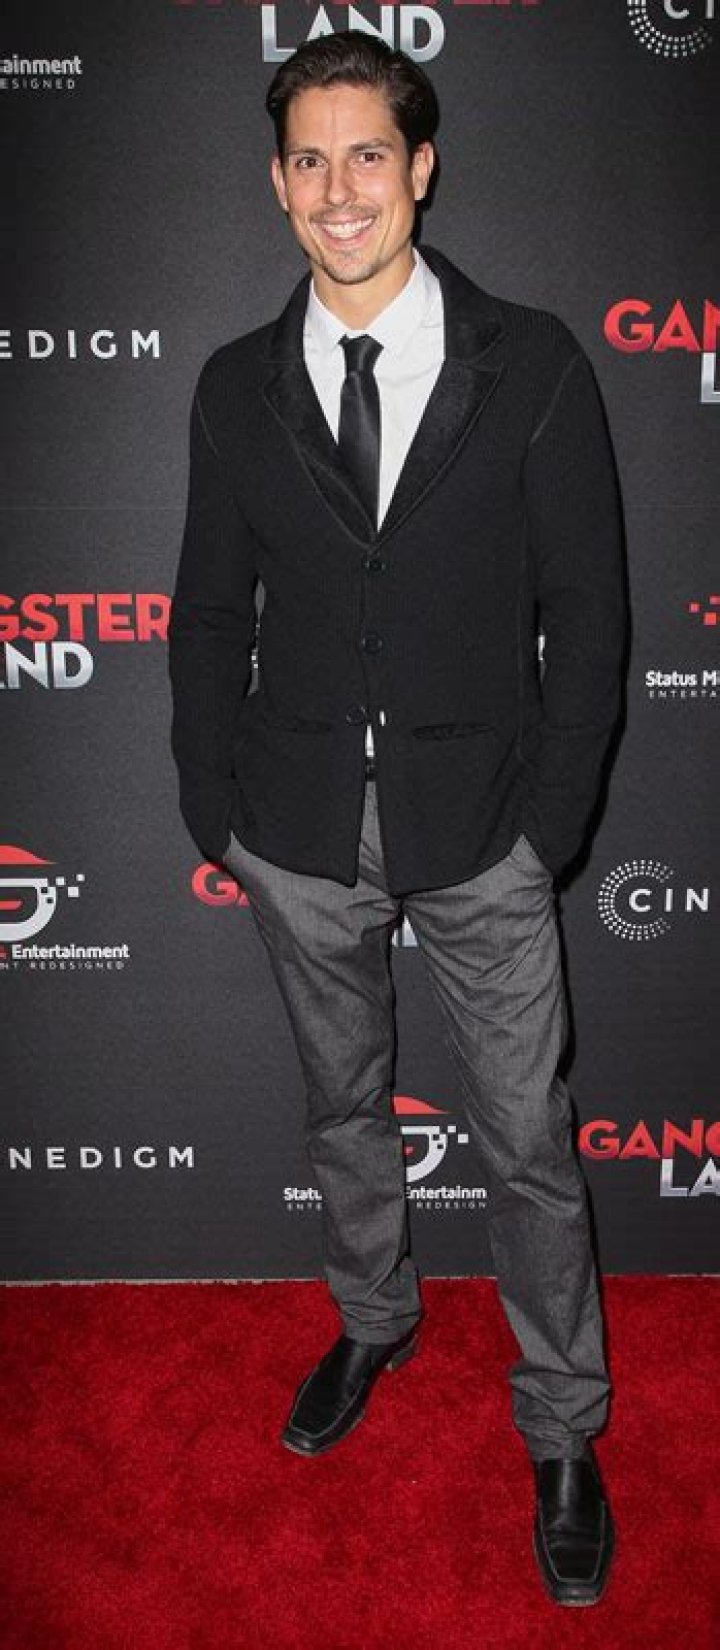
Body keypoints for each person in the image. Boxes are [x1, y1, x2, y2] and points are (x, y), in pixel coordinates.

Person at [168, 30, 626, 1607]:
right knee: (344, 1106)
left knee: (529, 1139)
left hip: (485, 821)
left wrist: (548, 825)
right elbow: (206, 610)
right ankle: (373, 1318)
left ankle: (562, 1422)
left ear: (421, 168)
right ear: (277, 182)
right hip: (297, 826)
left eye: (369, 153)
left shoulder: (533, 362)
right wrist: (215, 806)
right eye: (310, 159)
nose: (340, 189)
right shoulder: (235, 385)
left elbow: (589, 612)